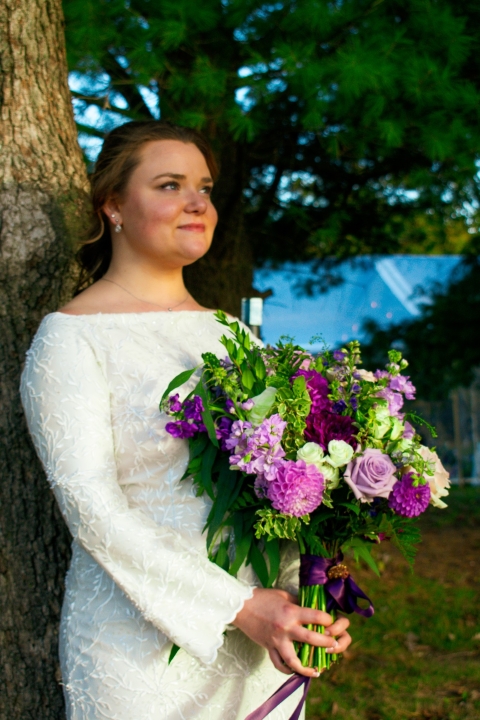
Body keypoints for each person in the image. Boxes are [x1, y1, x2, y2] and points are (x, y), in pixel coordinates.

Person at [20, 121, 351, 720]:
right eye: (170, 185)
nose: (197, 201)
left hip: (262, 640)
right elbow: (91, 508)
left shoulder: (232, 335)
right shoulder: (70, 340)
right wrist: (236, 604)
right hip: (138, 645)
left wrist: (309, 592)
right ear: (113, 204)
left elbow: (284, 489)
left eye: (203, 186)